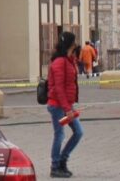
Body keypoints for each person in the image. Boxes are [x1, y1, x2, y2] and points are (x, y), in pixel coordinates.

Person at [47, 31, 83, 177]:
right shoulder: (59, 62)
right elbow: (59, 88)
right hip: (57, 106)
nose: (76, 44)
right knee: (60, 135)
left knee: (78, 132)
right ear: (70, 44)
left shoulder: (69, 60)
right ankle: (55, 166)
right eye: (74, 42)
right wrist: (67, 109)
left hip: (66, 105)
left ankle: (63, 160)